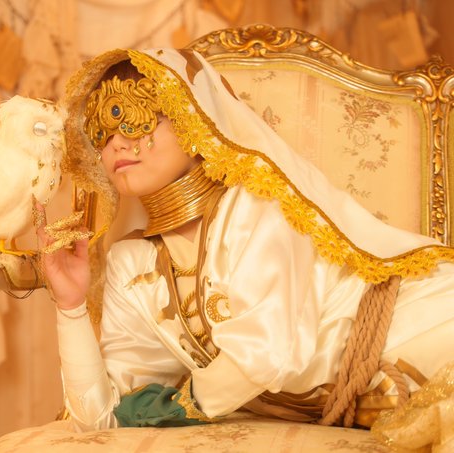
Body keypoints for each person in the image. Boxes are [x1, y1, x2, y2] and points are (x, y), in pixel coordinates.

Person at [35, 47, 454, 441]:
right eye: (102, 131)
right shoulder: (133, 263)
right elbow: (101, 419)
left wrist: (179, 405)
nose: (117, 142)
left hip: (421, 326)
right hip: (371, 403)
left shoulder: (259, 202)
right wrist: (71, 307)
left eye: (136, 116)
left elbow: (263, 355)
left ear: (193, 117)